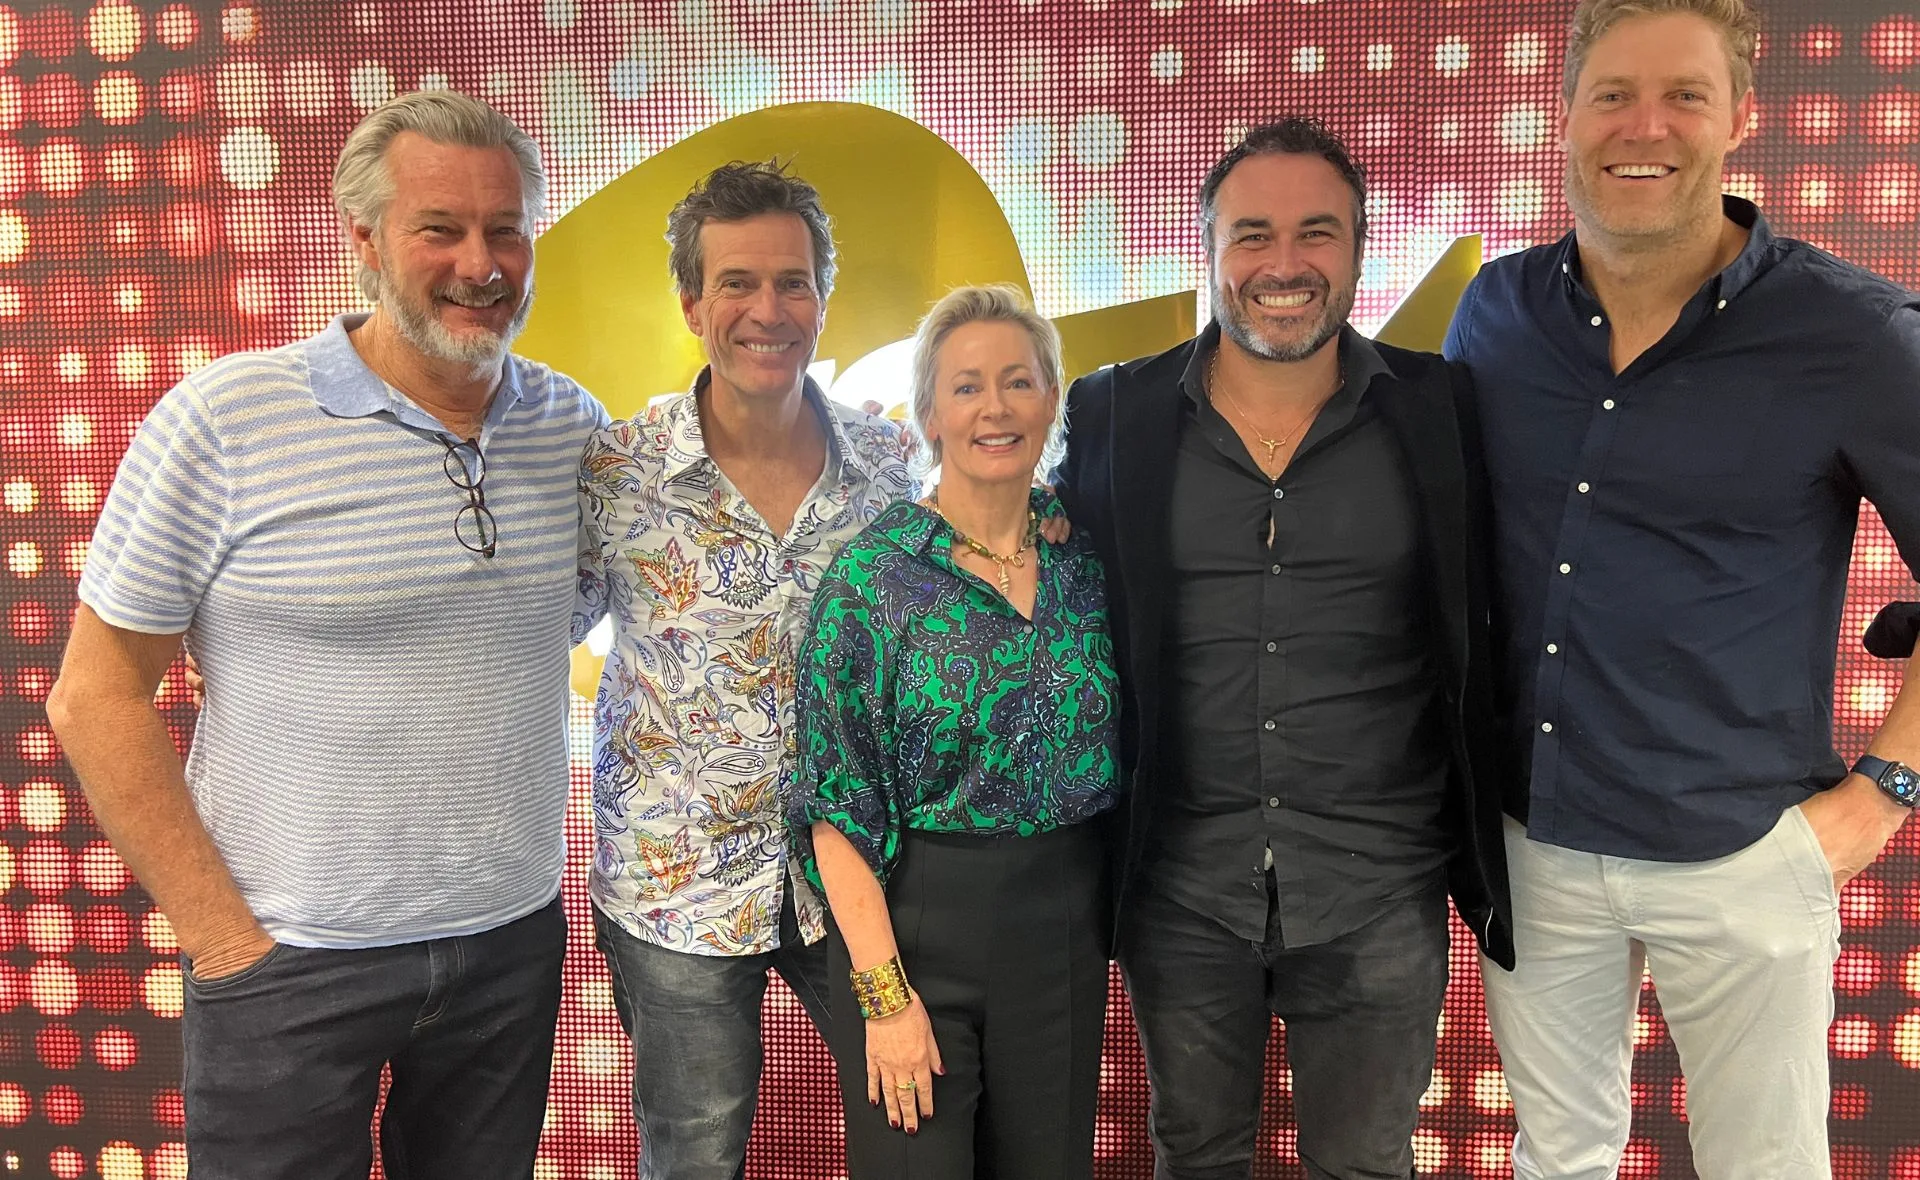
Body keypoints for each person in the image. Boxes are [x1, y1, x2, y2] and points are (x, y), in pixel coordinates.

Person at [45, 90, 605, 1179]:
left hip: (508, 948)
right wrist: (225, 941)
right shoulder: (225, 420)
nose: (481, 263)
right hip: (288, 965)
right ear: (364, 240)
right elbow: (93, 693)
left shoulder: (570, 427)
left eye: (506, 228)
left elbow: (562, 618)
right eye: (440, 228)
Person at [1443, 0, 1920, 1175]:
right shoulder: (1494, 313)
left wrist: (1885, 791)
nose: (1641, 125)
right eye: (1612, 93)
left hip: (1745, 852)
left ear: (1740, 118)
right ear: (1564, 116)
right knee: (1558, 1160)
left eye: (1684, 96)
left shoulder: (1854, 335)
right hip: (1533, 840)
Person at [1055, 118, 1512, 1179]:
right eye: (1252, 234)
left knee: (1365, 1163)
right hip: (1181, 886)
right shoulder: (1113, 409)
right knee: (1197, 1155)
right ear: (1208, 252)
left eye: (1318, 233)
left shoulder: (1441, 406)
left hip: (1380, 883)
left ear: (1358, 250)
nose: (1285, 264)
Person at [576, 161, 916, 1180]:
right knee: (694, 1155)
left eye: (792, 282)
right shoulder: (618, 471)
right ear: (692, 301)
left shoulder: (891, 470)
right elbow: (525, 629)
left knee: (920, 1130)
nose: (768, 310)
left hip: (858, 879)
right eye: (737, 283)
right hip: (672, 891)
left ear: (823, 297)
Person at [792, 284, 1121, 1178]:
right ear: (929, 412)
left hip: (1063, 927)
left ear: (1052, 399)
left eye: (1019, 382)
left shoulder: (1088, 560)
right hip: (917, 923)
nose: (996, 407)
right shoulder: (873, 579)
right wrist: (884, 999)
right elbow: (835, 809)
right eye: (967, 386)